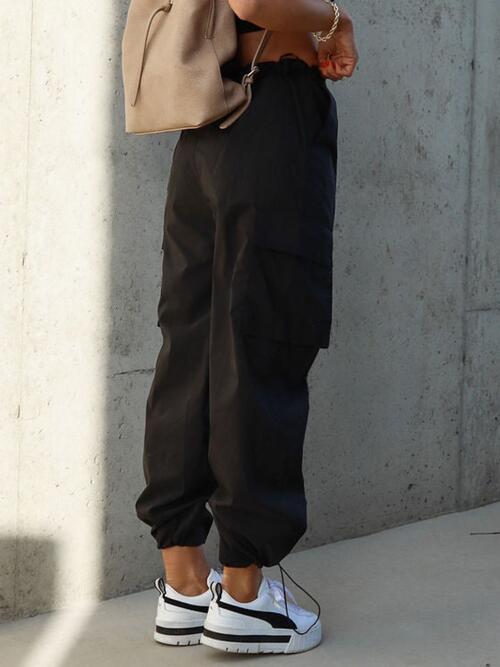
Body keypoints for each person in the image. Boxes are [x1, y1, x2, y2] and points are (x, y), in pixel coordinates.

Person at [134, 0, 359, 655]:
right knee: (263, 339)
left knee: (191, 350)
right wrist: (335, 19)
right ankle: (244, 593)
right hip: (268, 110)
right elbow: (253, 2)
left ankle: (185, 583)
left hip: (207, 118)